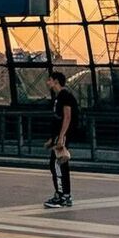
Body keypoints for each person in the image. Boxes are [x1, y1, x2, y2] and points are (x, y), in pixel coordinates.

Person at [44, 70, 79, 209]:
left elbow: (67, 117)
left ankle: (61, 196)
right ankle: (65, 195)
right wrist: (52, 139)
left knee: (56, 164)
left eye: (50, 80)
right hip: (59, 136)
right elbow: (57, 120)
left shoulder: (65, 96)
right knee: (61, 165)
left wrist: (61, 137)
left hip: (62, 136)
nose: (48, 82)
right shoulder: (59, 96)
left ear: (56, 81)